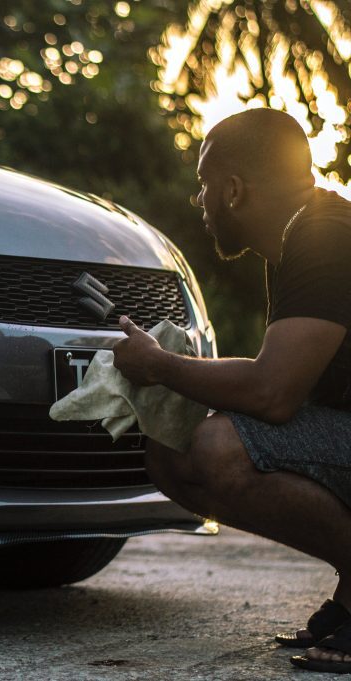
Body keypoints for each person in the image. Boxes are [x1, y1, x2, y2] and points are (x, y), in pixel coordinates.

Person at [112, 107, 351, 674]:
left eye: (204, 186)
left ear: (235, 190)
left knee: (218, 447)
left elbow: (274, 392)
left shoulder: (323, 236)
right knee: (172, 452)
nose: (200, 202)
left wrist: (162, 366)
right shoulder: (305, 234)